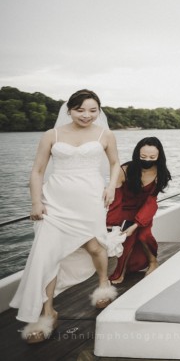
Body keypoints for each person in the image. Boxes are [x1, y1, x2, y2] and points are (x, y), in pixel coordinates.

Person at [11, 89, 121, 343]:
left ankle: (103, 284)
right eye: (80, 110)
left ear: (99, 111)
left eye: (93, 110)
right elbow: (38, 171)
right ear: (69, 110)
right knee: (46, 256)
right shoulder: (53, 135)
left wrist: (111, 185)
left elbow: (115, 163)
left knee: (94, 247)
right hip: (54, 203)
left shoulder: (106, 134)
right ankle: (47, 312)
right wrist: (36, 202)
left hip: (90, 200)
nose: (87, 115)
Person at [106, 137, 172, 284]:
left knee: (143, 235)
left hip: (144, 210)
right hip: (124, 210)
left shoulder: (160, 172)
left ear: (159, 156)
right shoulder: (124, 170)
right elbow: (116, 200)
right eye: (143, 156)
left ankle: (153, 261)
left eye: (152, 157)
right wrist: (111, 225)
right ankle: (121, 271)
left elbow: (151, 201)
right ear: (137, 154)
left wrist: (136, 224)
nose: (147, 160)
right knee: (127, 239)